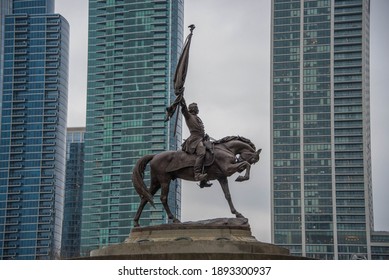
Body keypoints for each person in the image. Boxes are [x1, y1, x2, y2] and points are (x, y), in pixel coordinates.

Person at [180, 97, 208, 182]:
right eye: (196, 108)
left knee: (210, 152)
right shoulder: (188, 116)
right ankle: (197, 175)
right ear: (193, 109)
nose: (198, 109)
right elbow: (184, 108)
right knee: (202, 153)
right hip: (195, 140)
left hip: (201, 138)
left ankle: (205, 178)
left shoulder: (197, 117)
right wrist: (181, 97)